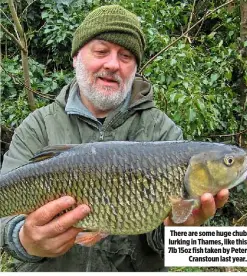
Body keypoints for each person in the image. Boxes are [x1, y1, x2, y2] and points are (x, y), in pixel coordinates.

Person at [0, 5, 229, 272]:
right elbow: (4, 217)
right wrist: (23, 239)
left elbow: (177, 248)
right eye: (101, 51)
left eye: (126, 56)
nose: (112, 64)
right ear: (76, 57)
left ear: (135, 68)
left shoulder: (163, 133)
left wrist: (180, 232)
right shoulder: (37, 126)